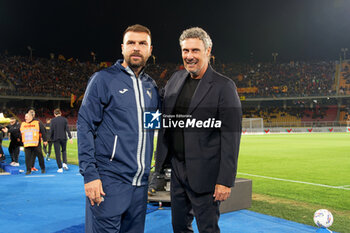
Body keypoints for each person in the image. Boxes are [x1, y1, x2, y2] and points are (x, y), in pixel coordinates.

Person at [155, 27, 242, 233]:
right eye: (185, 51)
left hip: (207, 175)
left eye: (195, 50)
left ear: (208, 51)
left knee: (208, 229)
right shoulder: (176, 79)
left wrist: (225, 181)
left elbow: (231, 137)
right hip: (177, 170)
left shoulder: (224, 87)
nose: (189, 56)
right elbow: (159, 107)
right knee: (178, 226)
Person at [78, 24, 159, 233]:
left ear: (150, 50)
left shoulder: (152, 87)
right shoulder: (103, 80)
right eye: (131, 43)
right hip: (109, 182)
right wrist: (90, 175)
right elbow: (85, 126)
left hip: (140, 186)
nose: (136, 48)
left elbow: (151, 131)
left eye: (142, 44)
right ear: (122, 47)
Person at [50, 109, 73, 173]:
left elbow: (51, 130)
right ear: (60, 113)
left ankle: (60, 168)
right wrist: (70, 137)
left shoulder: (53, 120)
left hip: (56, 138)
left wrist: (50, 138)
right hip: (63, 138)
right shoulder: (64, 120)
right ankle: (65, 163)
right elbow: (67, 129)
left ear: (54, 114)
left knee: (57, 153)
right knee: (64, 151)